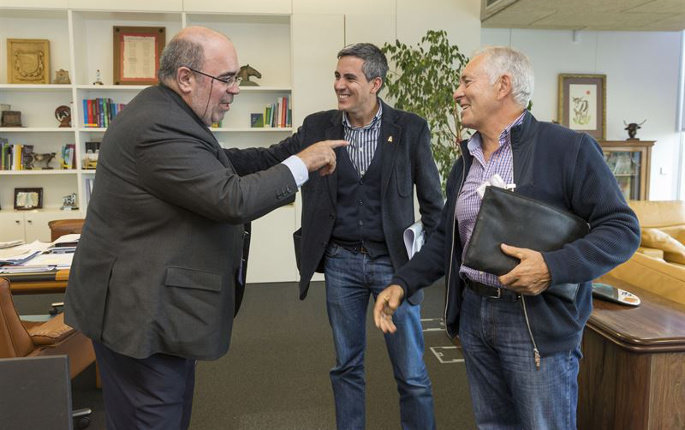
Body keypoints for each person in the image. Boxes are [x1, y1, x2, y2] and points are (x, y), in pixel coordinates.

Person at [64, 26, 346, 429]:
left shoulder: (167, 113)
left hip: (155, 313)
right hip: (141, 317)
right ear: (185, 77)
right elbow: (233, 199)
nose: (235, 89)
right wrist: (303, 164)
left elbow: (222, 162)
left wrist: (294, 150)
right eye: (227, 79)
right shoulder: (158, 127)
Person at [374, 46, 640, 429]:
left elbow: (622, 229)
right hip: (476, 317)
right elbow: (448, 239)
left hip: (536, 324)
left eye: (467, 82)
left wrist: (550, 267)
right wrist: (403, 282)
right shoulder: (465, 159)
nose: (457, 92)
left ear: (503, 86)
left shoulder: (567, 149)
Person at [271, 43, 443, 430]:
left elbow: (433, 204)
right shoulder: (318, 127)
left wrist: (423, 267)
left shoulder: (410, 128)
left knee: (412, 374)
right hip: (341, 262)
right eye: (337, 76)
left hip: (394, 267)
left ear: (375, 83)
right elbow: (275, 157)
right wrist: (214, 155)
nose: (340, 85)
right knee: (346, 367)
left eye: (350, 77)